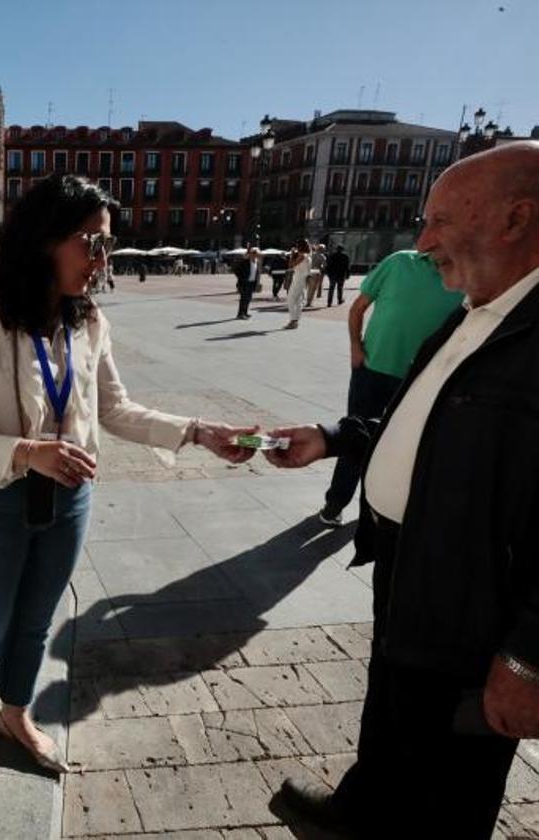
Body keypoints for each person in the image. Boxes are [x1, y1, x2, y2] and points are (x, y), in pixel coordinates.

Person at [0, 175, 257, 835]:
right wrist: (25, 451)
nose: (101, 261)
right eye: (91, 244)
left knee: (35, 625)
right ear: (46, 239)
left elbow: (114, 408)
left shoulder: (89, 319)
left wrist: (197, 430)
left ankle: (15, 714)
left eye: (106, 246)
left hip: (69, 504)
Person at [265, 142, 539, 839]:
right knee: (392, 708)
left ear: (517, 219)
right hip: (411, 566)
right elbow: (419, 421)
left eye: (441, 220)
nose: (423, 241)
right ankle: (361, 814)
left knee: (453, 780)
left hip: (481, 609)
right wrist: (336, 437)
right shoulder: (475, 308)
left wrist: (527, 655)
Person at [318, 250, 463, 525]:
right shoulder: (398, 263)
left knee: (397, 448)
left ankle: (374, 511)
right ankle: (335, 503)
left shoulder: (465, 276)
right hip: (371, 372)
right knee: (354, 438)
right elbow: (357, 307)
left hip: (419, 382)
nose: (427, 239)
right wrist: (355, 347)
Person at [284, 238, 312, 329]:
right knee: (298, 300)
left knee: (291, 299)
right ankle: (296, 319)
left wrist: (292, 255)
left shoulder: (302, 256)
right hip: (302, 278)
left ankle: (293, 320)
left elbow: (291, 265)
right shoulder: (308, 255)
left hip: (298, 278)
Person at [232, 247, 261, 319]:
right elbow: (235, 269)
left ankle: (245, 312)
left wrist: (257, 282)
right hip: (244, 283)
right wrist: (241, 278)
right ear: (250, 254)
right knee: (243, 298)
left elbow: (256, 273)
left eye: (256, 254)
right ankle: (240, 314)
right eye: (254, 254)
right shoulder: (245, 261)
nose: (255, 256)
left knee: (248, 298)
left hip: (251, 283)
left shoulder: (256, 262)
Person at [305, 243, 326, 308]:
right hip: (316, 272)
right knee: (313, 288)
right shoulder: (322, 256)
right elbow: (323, 265)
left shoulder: (311, 255)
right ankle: (309, 302)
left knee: (308, 288)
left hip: (308, 271)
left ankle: (307, 300)